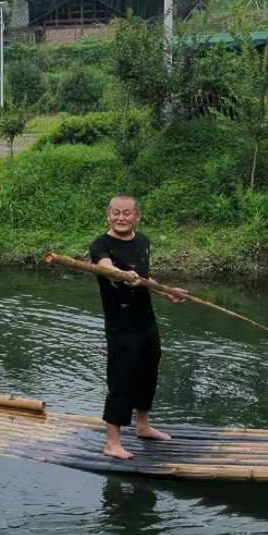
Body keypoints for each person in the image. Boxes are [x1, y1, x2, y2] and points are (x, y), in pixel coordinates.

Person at [87, 194, 187, 460]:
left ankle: (143, 426)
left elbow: (144, 276)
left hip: (146, 319)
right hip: (120, 324)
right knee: (122, 375)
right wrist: (121, 273)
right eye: (116, 213)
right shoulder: (100, 244)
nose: (121, 218)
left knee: (149, 368)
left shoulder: (143, 242)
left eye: (127, 213)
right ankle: (112, 442)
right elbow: (105, 267)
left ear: (137, 217)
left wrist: (166, 291)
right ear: (108, 215)